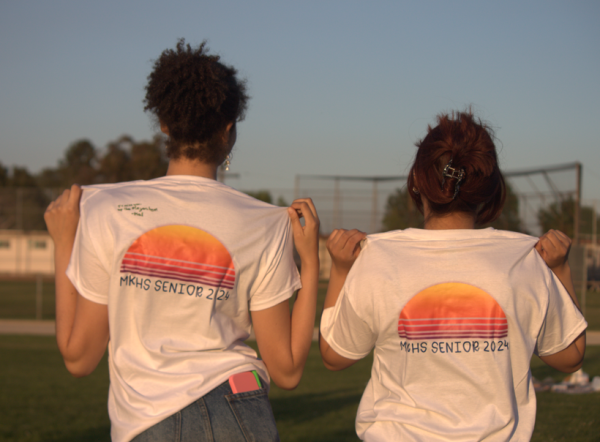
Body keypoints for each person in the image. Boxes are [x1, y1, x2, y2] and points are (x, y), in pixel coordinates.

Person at [44, 40, 320, 442]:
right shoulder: (265, 223)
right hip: (242, 413)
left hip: (148, 423)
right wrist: (310, 264)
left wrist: (64, 242)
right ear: (229, 132)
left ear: (164, 124)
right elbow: (288, 370)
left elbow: (78, 357)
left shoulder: (105, 210)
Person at [319, 110, 586, 441]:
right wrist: (559, 270)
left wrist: (341, 271)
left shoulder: (379, 259)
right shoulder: (526, 262)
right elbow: (570, 356)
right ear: (489, 187)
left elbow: (334, 356)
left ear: (417, 180)